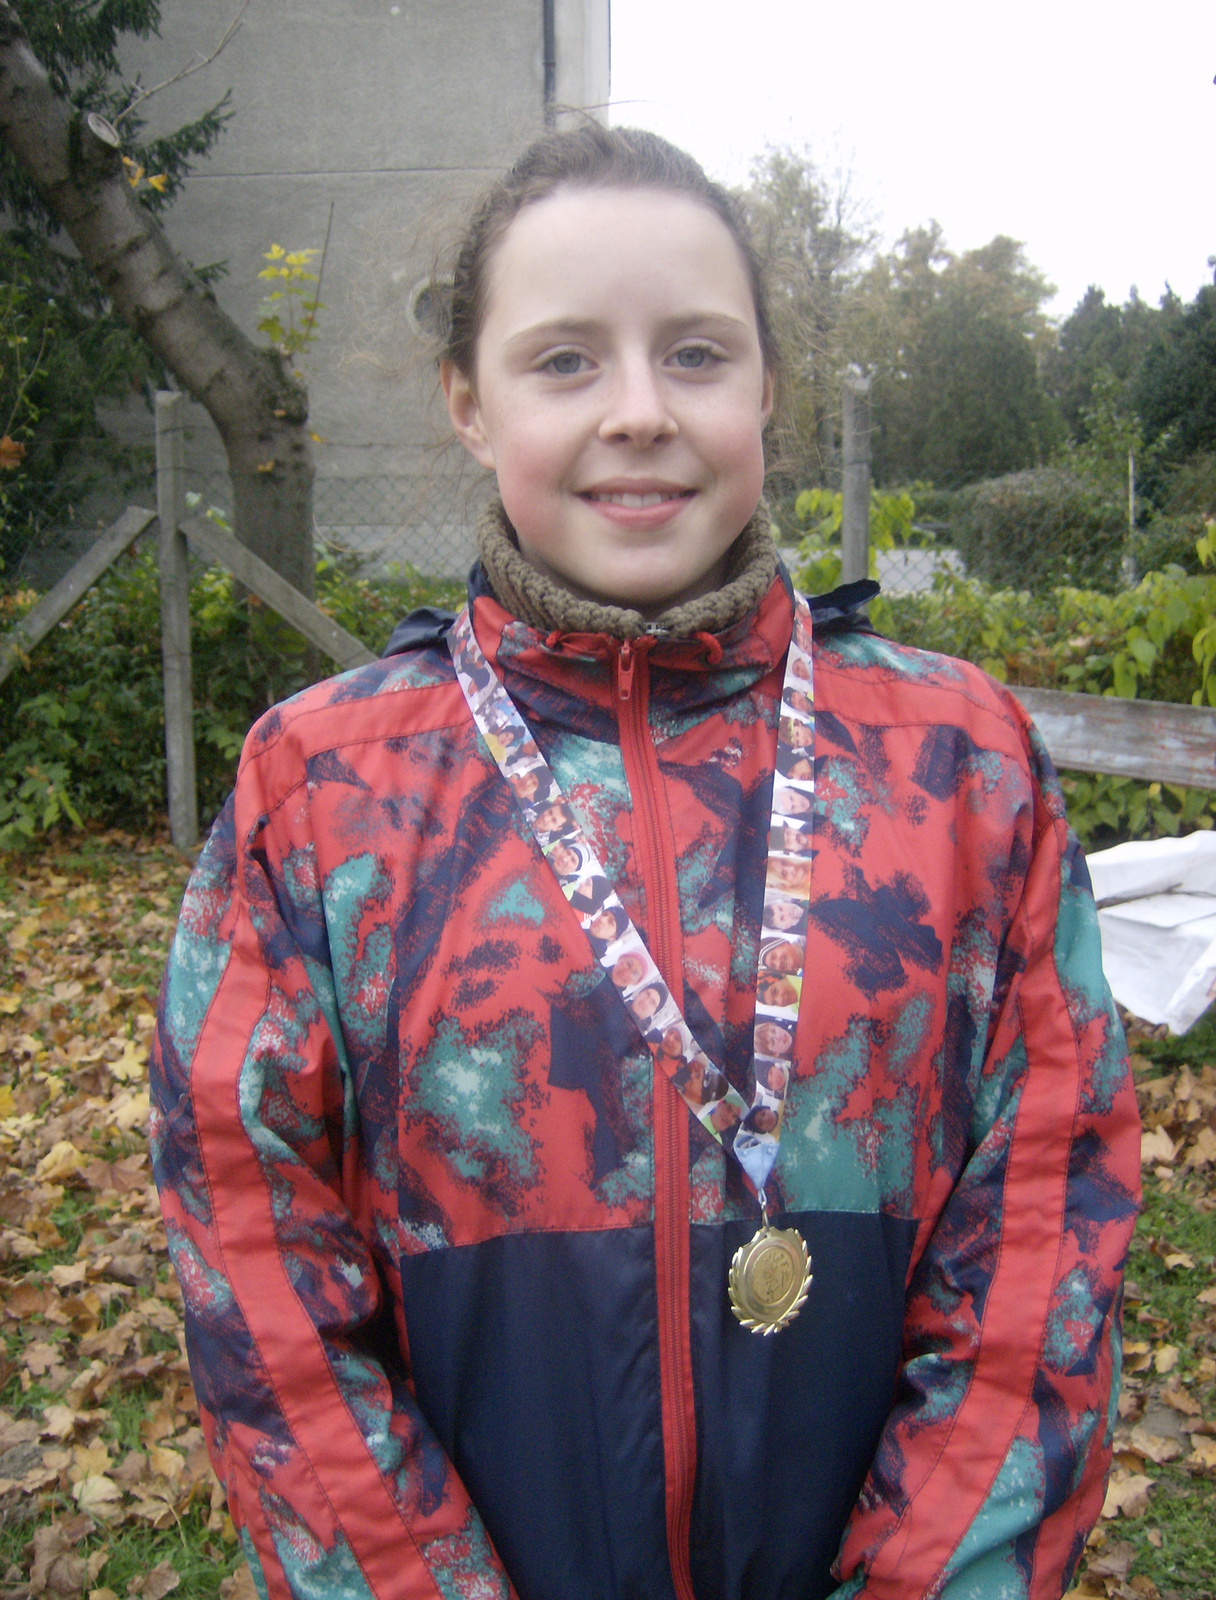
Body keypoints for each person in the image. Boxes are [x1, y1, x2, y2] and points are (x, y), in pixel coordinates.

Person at [150, 121, 1139, 1600]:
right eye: (564, 361)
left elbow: (1044, 1233)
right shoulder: (325, 785)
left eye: (695, 354)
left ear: (766, 390)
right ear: (467, 404)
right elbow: (254, 1242)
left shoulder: (962, 764)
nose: (637, 412)